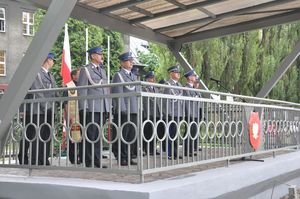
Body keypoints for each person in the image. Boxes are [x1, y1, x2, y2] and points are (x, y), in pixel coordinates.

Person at [18, 53, 57, 165]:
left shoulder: (50, 75)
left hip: (48, 110)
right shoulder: (36, 73)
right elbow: (37, 91)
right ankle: (31, 159)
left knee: (46, 135)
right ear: (48, 60)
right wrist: (47, 107)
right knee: (34, 135)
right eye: (53, 60)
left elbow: (53, 92)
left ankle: (43, 158)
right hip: (36, 110)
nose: (53, 63)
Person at [77, 46, 110, 168]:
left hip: (102, 107)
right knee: (90, 135)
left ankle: (97, 161)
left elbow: (105, 90)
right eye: (99, 54)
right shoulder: (85, 70)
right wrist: (83, 108)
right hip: (90, 108)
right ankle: (89, 161)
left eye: (102, 54)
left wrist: (108, 106)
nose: (102, 56)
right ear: (92, 56)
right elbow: (82, 90)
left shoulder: (102, 71)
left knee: (98, 135)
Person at [112, 52, 138, 166]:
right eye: (129, 60)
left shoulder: (133, 76)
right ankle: (121, 157)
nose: (131, 62)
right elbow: (118, 93)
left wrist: (138, 108)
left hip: (133, 109)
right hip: (124, 110)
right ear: (122, 62)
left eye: (132, 60)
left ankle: (128, 155)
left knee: (132, 134)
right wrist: (122, 109)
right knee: (123, 135)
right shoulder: (119, 75)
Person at [163, 65, 183, 159]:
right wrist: (168, 113)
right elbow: (165, 101)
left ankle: (175, 153)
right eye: (176, 72)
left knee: (176, 134)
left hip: (178, 113)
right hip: (171, 113)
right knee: (170, 134)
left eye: (178, 72)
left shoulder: (179, 85)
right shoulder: (168, 85)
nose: (178, 74)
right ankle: (170, 154)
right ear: (171, 73)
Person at [63, 69, 82, 164]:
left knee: (81, 137)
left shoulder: (81, 85)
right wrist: (70, 115)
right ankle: (73, 158)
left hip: (81, 114)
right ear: (74, 76)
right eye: (79, 74)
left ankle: (82, 157)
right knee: (73, 138)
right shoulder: (69, 86)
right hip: (73, 116)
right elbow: (65, 102)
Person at [183, 70, 202, 156]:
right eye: (193, 76)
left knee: (193, 132)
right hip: (190, 113)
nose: (195, 77)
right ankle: (187, 151)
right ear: (189, 78)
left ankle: (191, 150)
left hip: (195, 113)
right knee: (189, 132)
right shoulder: (186, 88)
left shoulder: (193, 88)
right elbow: (187, 103)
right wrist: (189, 113)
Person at [142, 71, 161, 155]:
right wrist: (146, 114)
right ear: (147, 79)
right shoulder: (144, 88)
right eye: (151, 78)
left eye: (153, 78)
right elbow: (145, 103)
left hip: (156, 113)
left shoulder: (156, 88)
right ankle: (147, 149)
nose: (153, 80)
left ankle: (153, 149)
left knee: (155, 132)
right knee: (148, 133)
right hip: (148, 114)